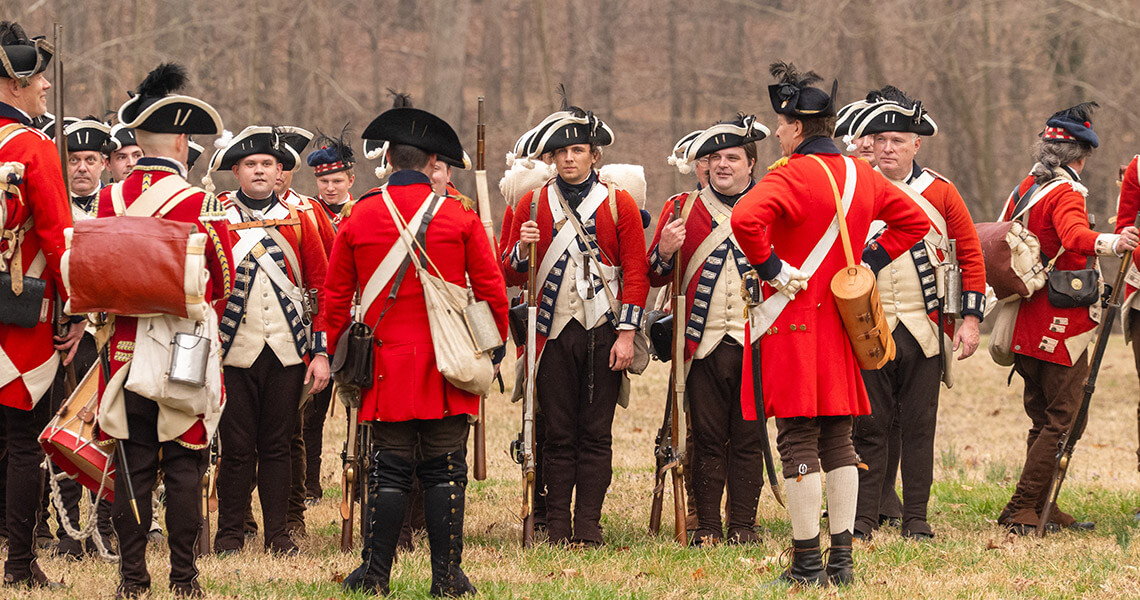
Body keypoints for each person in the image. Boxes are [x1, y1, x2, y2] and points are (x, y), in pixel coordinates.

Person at [731, 62, 927, 586]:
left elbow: (745, 220)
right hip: (842, 325)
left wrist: (772, 268)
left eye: (781, 124)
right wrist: (871, 261)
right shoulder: (864, 174)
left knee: (797, 438)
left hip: (793, 323)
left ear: (797, 127)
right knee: (840, 438)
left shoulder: (789, 174)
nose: (776, 132)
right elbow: (916, 222)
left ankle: (806, 563)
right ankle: (841, 561)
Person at [326, 104, 508, 596]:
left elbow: (335, 296)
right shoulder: (459, 216)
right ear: (432, 164)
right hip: (448, 362)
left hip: (383, 365)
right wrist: (494, 349)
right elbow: (491, 291)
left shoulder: (359, 215)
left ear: (386, 160)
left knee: (387, 473)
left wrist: (334, 352)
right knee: (446, 470)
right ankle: (446, 578)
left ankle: (374, 575)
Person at [93, 62, 234, 597]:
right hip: (185, 347)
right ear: (179, 140)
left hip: (125, 351)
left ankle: (132, 578)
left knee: (132, 462)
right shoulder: (201, 202)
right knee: (183, 461)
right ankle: (183, 578)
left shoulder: (108, 200)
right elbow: (221, 277)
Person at [500, 91, 650, 547]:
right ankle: (558, 527)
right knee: (559, 435)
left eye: (577, 150)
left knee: (596, 435)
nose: (569, 158)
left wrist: (626, 334)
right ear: (550, 158)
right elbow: (504, 270)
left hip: (605, 331)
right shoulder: (529, 205)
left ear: (593, 155)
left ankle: (588, 526)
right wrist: (519, 246)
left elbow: (636, 272)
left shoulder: (618, 203)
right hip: (551, 334)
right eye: (560, 152)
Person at [843, 87, 986, 542]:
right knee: (869, 425)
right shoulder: (853, 186)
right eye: (880, 139)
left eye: (897, 141)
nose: (887, 148)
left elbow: (970, 255)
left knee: (920, 426)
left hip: (925, 328)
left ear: (916, 144)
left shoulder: (940, 191)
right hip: (868, 326)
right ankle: (863, 517)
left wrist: (970, 319)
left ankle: (916, 518)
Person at [996, 103, 1139, 534]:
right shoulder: (1066, 192)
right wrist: (1115, 241)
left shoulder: (1027, 185)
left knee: (1043, 417)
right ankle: (1022, 508)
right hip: (1060, 321)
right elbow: (1075, 236)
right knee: (1065, 418)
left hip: (1025, 316)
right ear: (1082, 154)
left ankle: (1039, 505)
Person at [647, 114, 770, 545]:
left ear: (750, 163)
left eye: (732, 157)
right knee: (709, 436)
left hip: (757, 342)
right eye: (713, 157)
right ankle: (708, 527)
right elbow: (655, 275)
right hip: (700, 344)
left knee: (749, 437)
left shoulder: (772, 204)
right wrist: (664, 251)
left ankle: (743, 525)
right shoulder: (681, 208)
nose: (722, 165)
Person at [209, 126, 330, 555]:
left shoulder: (301, 220)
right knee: (236, 448)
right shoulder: (217, 219)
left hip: (287, 350)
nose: (259, 171)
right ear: (236, 172)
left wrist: (319, 351)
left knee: (278, 444)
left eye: (267, 164)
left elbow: (320, 288)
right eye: (250, 165)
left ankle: (279, 534)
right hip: (232, 350)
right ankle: (230, 534)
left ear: (280, 171)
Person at [0, 20, 83, 588]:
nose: (46, 88)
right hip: (21, 320)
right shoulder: (33, 147)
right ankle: (21, 564)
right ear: (14, 83)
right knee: (22, 444)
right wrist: (76, 310)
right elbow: (60, 238)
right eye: (39, 80)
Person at [48, 118, 117, 559]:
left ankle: (105, 525)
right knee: (62, 427)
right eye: (73, 160)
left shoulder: (117, 208)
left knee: (107, 428)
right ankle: (68, 529)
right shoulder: (52, 211)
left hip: (104, 334)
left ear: (105, 165)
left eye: (91, 160)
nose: (82, 168)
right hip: (60, 335)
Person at [308, 131, 356, 228]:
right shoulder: (307, 213)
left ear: (350, 181)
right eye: (324, 181)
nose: (330, 188)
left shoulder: (361, 212)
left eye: (337, 181)